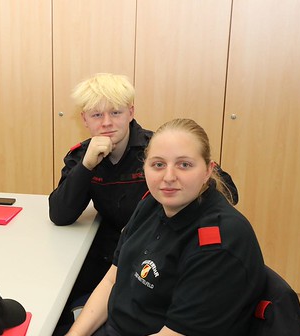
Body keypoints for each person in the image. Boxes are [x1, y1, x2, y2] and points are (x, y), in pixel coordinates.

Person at [26, 119, 265, 336]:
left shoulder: (219, 241)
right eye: (158, 164)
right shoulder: (152, 204)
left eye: (184, 165)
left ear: (208, 170)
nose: (169, 177)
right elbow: (113, 277)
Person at [49, 73, 238, 309]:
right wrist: (86, 166)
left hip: (155, 251)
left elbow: (229, 193)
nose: (106, 123)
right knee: (56, 300)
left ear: (130, 112)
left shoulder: (158, 149)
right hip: (106, 253)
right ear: (84, 119)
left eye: (115, 113)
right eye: (97, 115)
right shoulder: (81, 155)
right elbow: (60, 215)